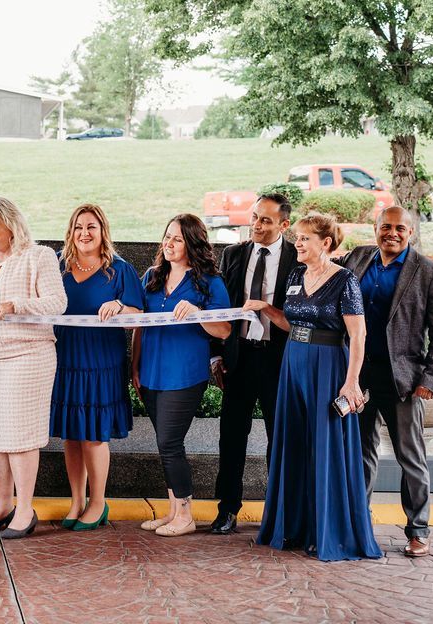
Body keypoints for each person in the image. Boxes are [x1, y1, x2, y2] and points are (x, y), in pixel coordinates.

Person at [256, 213, 382, 561]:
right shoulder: (296, 275)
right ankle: (293, 528)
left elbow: (358, 334)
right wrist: (266, 308)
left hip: (329, 365)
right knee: (293, 442)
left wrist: (351, 381)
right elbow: (291, 321)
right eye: (297, 237)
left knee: (326, 446)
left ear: (325, 243)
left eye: (305, 238)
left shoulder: (345, 281)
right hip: (294, 364)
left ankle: (328, 531)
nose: (297, 243)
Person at [340, 205, 433, 558]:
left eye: (399, 229)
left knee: (411, 458)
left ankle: (418, 529)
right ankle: (359, 524)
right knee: (360, 455)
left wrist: (432, 377)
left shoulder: (429, 273)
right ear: (374, 228)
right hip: (357, 376)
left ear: (410, 232)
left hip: (402, 379)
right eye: (385, 227)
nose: (391, 233)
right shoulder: (357, 259)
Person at [0, 198, 67, 539]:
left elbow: (57, 303)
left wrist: (15, 305)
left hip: (27, 357)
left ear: (11, 225)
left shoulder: (39, 256)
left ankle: (25, 510)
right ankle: (3, 504)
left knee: (20, 436)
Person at [132, 214, 231, 537]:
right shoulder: (152, 277)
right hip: (151, 373)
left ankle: (185, 514)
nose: (169, 244)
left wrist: (199, 314)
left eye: (177, 239)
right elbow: (139, 326)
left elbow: (225, 329)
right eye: (167, 237)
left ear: (192, 243)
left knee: (170, 442)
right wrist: (134, 368)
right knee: (165, 446)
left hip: (185, 375)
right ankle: (172, 510)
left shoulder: (209, 282)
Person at [50, 203, 144, 531]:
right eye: (78, 227)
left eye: (91, 227)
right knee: (72, 436)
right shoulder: (58, 267)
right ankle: (76, 500)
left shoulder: (119, 270)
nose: (84, 233)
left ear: (103, 231)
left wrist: (119, 305)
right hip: (66, 359)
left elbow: (139, 316)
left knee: (92, 435)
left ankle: (98, 501)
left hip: (101, 362)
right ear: (70, 231)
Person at [209, 194, 299, 535]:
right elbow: (220, 307)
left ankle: (280, 512)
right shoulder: (233, 254)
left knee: (281, 438)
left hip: (279, 362)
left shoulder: (297, 260)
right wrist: (217, 354)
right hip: (239, 358)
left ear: (284, 225)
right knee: (231, 437)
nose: (257, 225)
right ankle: (227, 509)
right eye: (255, 217)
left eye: (266, 220)